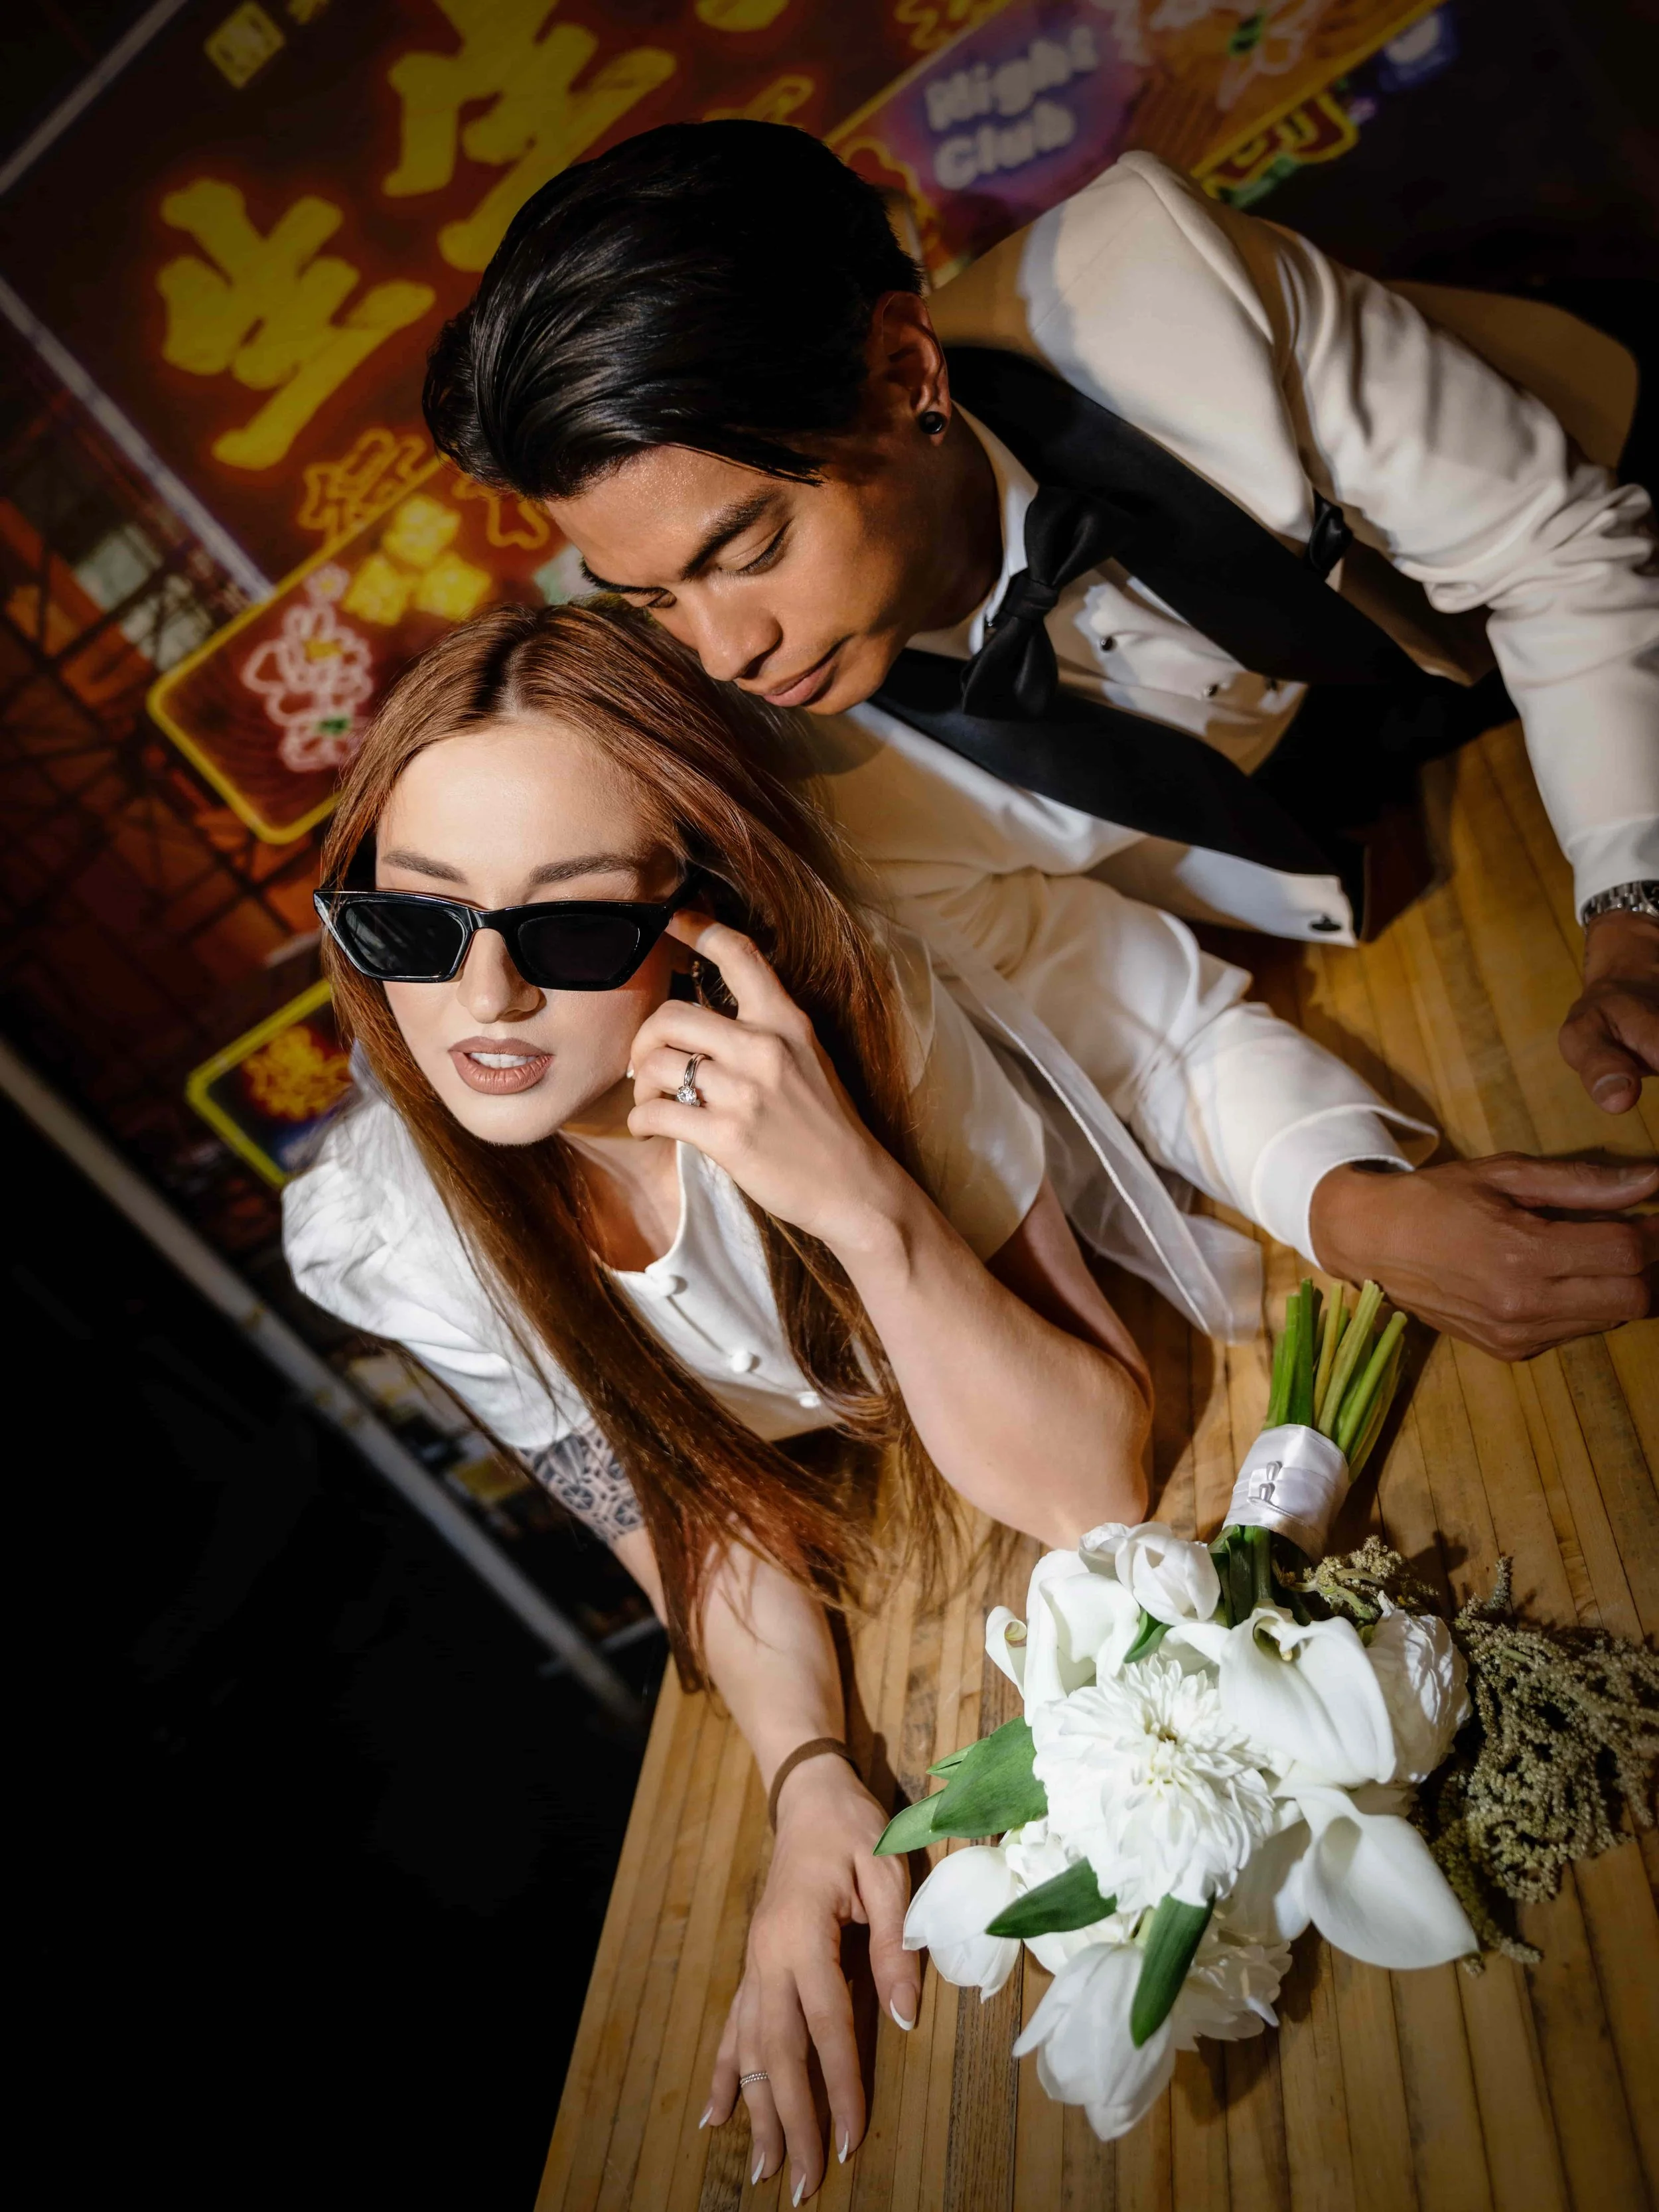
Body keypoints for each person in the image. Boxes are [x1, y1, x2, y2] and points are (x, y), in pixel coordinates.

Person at [421, 119, 1659, 1361]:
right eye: (648, 598)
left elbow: (1557, 556)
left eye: (745, 553)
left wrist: (1632, 902)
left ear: (908, 373)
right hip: (1393, 870)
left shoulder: (1162, 288)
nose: (724, 647)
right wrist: (1358, 1214)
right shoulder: (793, 776)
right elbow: (1137, 1029)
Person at [285, 600, 1166, 2205]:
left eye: (563, 932)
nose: (481, 1003)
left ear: (695, 914)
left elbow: (1091, 1483)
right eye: (414, 927)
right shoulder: (390, 1231)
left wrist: (859, 1201)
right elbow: (685, 1509)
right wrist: (806, 1768)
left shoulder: (854, 1020)